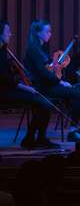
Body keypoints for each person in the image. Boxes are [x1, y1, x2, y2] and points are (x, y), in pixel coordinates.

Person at [23, 19, 80, 142]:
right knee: (79, 94)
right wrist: (61, 82)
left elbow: (49, 70)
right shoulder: (34, 49)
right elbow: (43, 73)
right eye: (48, 31)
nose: (50, 34)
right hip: (41, 87)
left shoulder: (40, 48)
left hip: (48, 84)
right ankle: (72, 132)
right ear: (38, 32)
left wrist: (59, 77)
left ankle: (78, 129)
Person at [0, 21, 56, 149]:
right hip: (4, 92)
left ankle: (33, 138)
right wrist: (26, 87)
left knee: (44, 103)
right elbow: (5, 80)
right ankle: (34, 138)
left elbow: (8, 75)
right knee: (44, 103)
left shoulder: (3, 50)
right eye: (7, 32)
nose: (10, 34)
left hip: (11, 88)